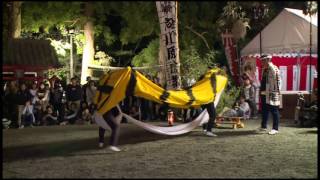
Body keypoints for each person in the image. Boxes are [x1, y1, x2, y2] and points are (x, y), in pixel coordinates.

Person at [256, 54, 282, 135]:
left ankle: (275, 128)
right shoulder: (265, 69)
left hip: (272, 92)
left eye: (263, 60)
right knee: (264, 110)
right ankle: (263, 126)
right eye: (261, 61)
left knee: (274, 110)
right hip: (264, 92)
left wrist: (276, 91)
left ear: (268, 60)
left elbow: (278, 81)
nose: (262, 62)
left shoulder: (274, 68)